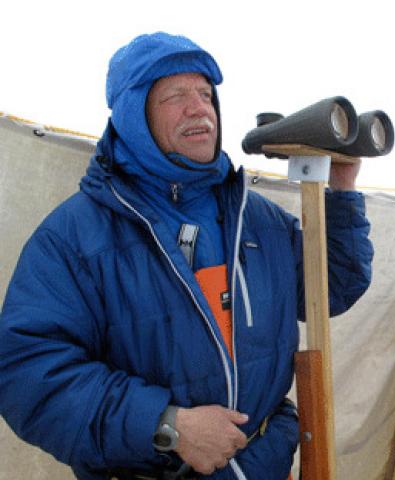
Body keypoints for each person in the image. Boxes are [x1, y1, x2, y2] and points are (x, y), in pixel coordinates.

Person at [0, 32, 373, 480]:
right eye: (175, 96)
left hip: (264, 466)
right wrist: (166, 425)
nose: (199, 108)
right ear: (134, 115)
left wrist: (343, 190)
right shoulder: (75, 237)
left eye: (204, 94)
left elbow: (331, 287)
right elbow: (27, 374)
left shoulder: (258, 221)